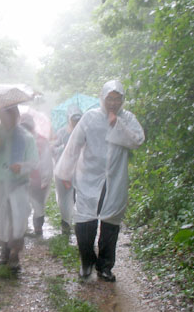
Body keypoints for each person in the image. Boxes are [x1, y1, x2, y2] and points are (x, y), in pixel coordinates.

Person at [54, 80, 145, 282]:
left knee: (110, 223)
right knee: (85, 221)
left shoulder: (128, 118)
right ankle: (87, 263)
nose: (113, 103)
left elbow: (137, 141)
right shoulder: (90, 118)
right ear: (102, 98)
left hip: (115, 179)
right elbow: (73, 146)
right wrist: (65, 174)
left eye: (117, 99)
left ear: (122, 100)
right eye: (109, 98)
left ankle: (105, 266)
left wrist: (117, 124)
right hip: (88, 177)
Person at [0, 105, 38, 271]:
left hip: (19, 183)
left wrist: (22, 166)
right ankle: (4, 249)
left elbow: (33, 162)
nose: (8, 117)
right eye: (5, 113)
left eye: (12, 113)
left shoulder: (26, 137)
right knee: (1, 215)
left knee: (18, 216)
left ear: (17, 115)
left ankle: (15, 253)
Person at [20, 113, 54, 236]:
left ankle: (38, 227)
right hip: (21, 180)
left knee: (39, 207)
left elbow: (47, 161)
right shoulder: (16, 141)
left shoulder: (41, 141)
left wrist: (46, 178)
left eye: (27, 127)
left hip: (37, 180)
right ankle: (22, 228)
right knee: (22, 206)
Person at [52, 106, 82, 235]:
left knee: (77, 196)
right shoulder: (61, 133)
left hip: (79, 170)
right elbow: (53, 149)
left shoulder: (84, 132)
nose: (75, 122)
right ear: (68, 119)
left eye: (78, 119)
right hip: (63, 170)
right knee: (64, 197)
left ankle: (78, 221)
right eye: (73, 119)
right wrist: (64, 148)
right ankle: (65, 222)